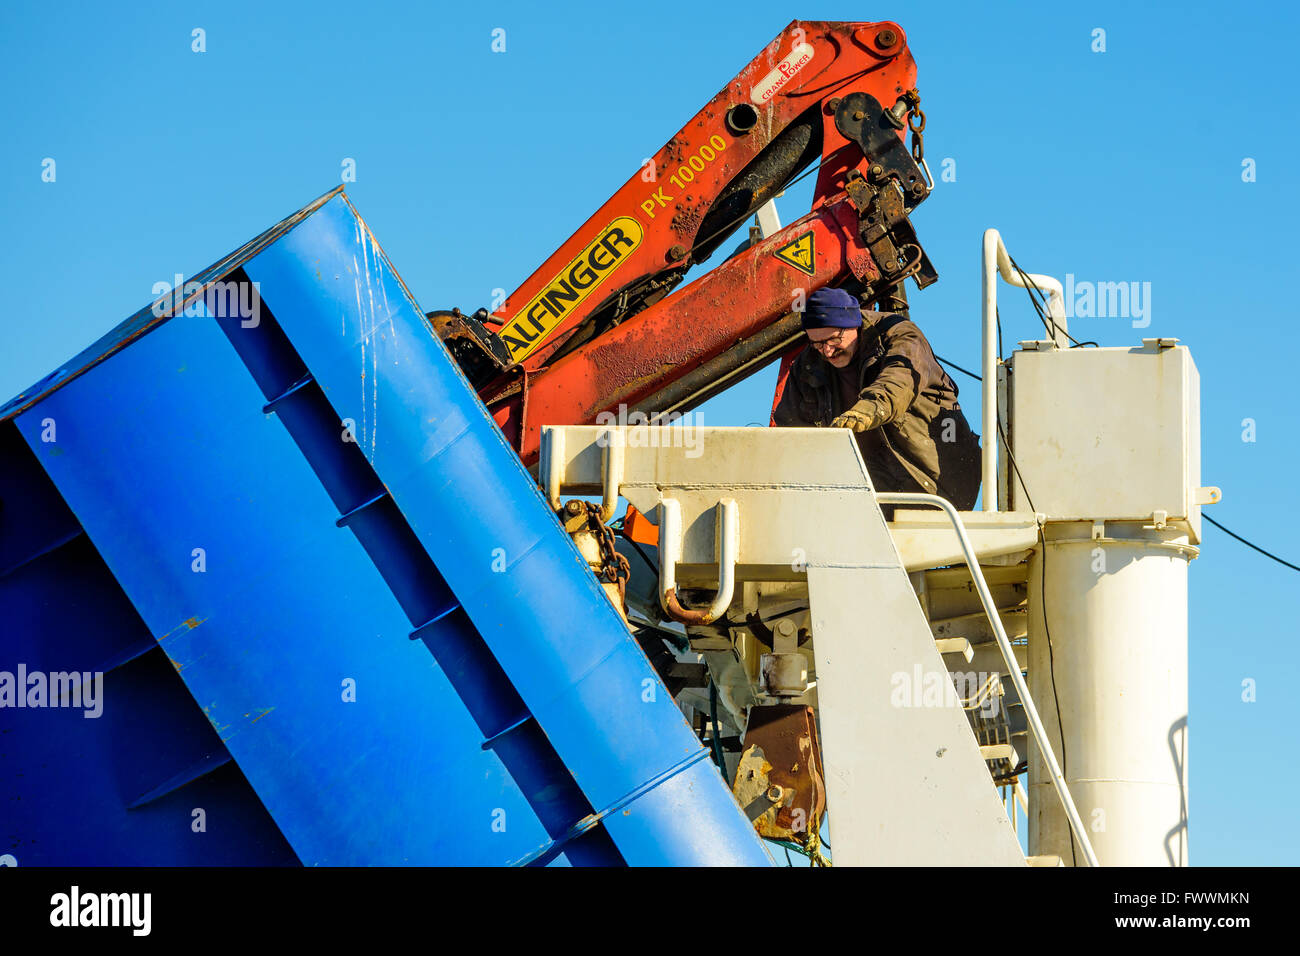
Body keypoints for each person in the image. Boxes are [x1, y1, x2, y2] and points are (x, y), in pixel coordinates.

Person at [772, 286, 982, 510]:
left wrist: (866, 412)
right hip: (873, 487)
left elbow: (897, 384)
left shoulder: (901, 337)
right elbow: (792, 430)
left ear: (853, 323)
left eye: (833, 340)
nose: (827, 351)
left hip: (933, 481)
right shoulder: (808, 365)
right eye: (817, 343)